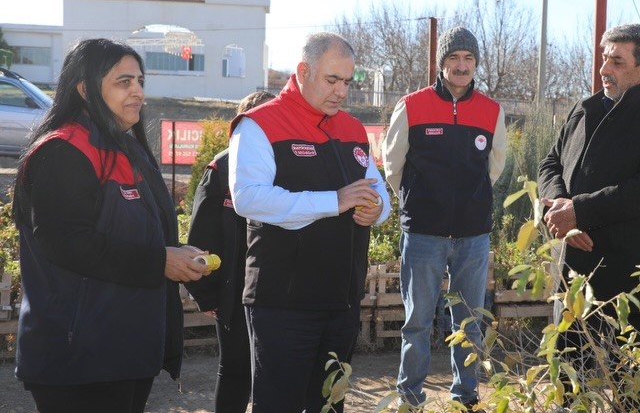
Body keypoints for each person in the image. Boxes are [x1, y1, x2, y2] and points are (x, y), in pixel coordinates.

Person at [13, 38, 208, 413]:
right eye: (124, 82)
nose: (138, 92)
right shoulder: (63, 151)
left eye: (140, 81)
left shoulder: (125, 148)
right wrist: (158, 261)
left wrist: (177, 254)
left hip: (125, 350)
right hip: (78, 358)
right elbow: (66, 243)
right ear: (85, 89)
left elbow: (139, 231)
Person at [228, 31, 390, 413]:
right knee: (279, 404)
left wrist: (376, 209)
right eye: (332, 80)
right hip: (283, 302)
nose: (341, 92)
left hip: (342, 298)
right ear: (302, 71)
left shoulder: (352, 129)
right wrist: (333, 201)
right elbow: (247, 197)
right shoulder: (259, 124)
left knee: (330, 403)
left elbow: (377, 191)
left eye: (347, 82)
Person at [538, 23, 640, 411]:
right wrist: (561, 208)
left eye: (616, 60)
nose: (604, 69)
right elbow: (550, 163)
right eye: (604, 58)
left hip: (630, 275)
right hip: (574, 271)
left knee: (630, 384)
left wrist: (580, 211)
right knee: (567, 383)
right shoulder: (584, 108)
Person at [382, 26, 507, 410]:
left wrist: (468, 202)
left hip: (472, 235)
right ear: (442, 64)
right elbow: (392, 164)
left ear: (476, 65)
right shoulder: (413, 104)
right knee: (417, 321)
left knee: (469, 321)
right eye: (454, 58)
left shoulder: (491, 110)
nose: (461, 65)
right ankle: (410, 396)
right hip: (422, 233)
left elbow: (495, 165)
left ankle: (464, 396)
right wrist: (418, 201)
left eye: (468, 58)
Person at [183, 90, 275, 413]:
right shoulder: (219, 169)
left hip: (276, 292)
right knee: (236, 370)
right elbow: (200, 238)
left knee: (272, 375)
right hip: (232, 294)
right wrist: (205, 295)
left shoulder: (286, 166)